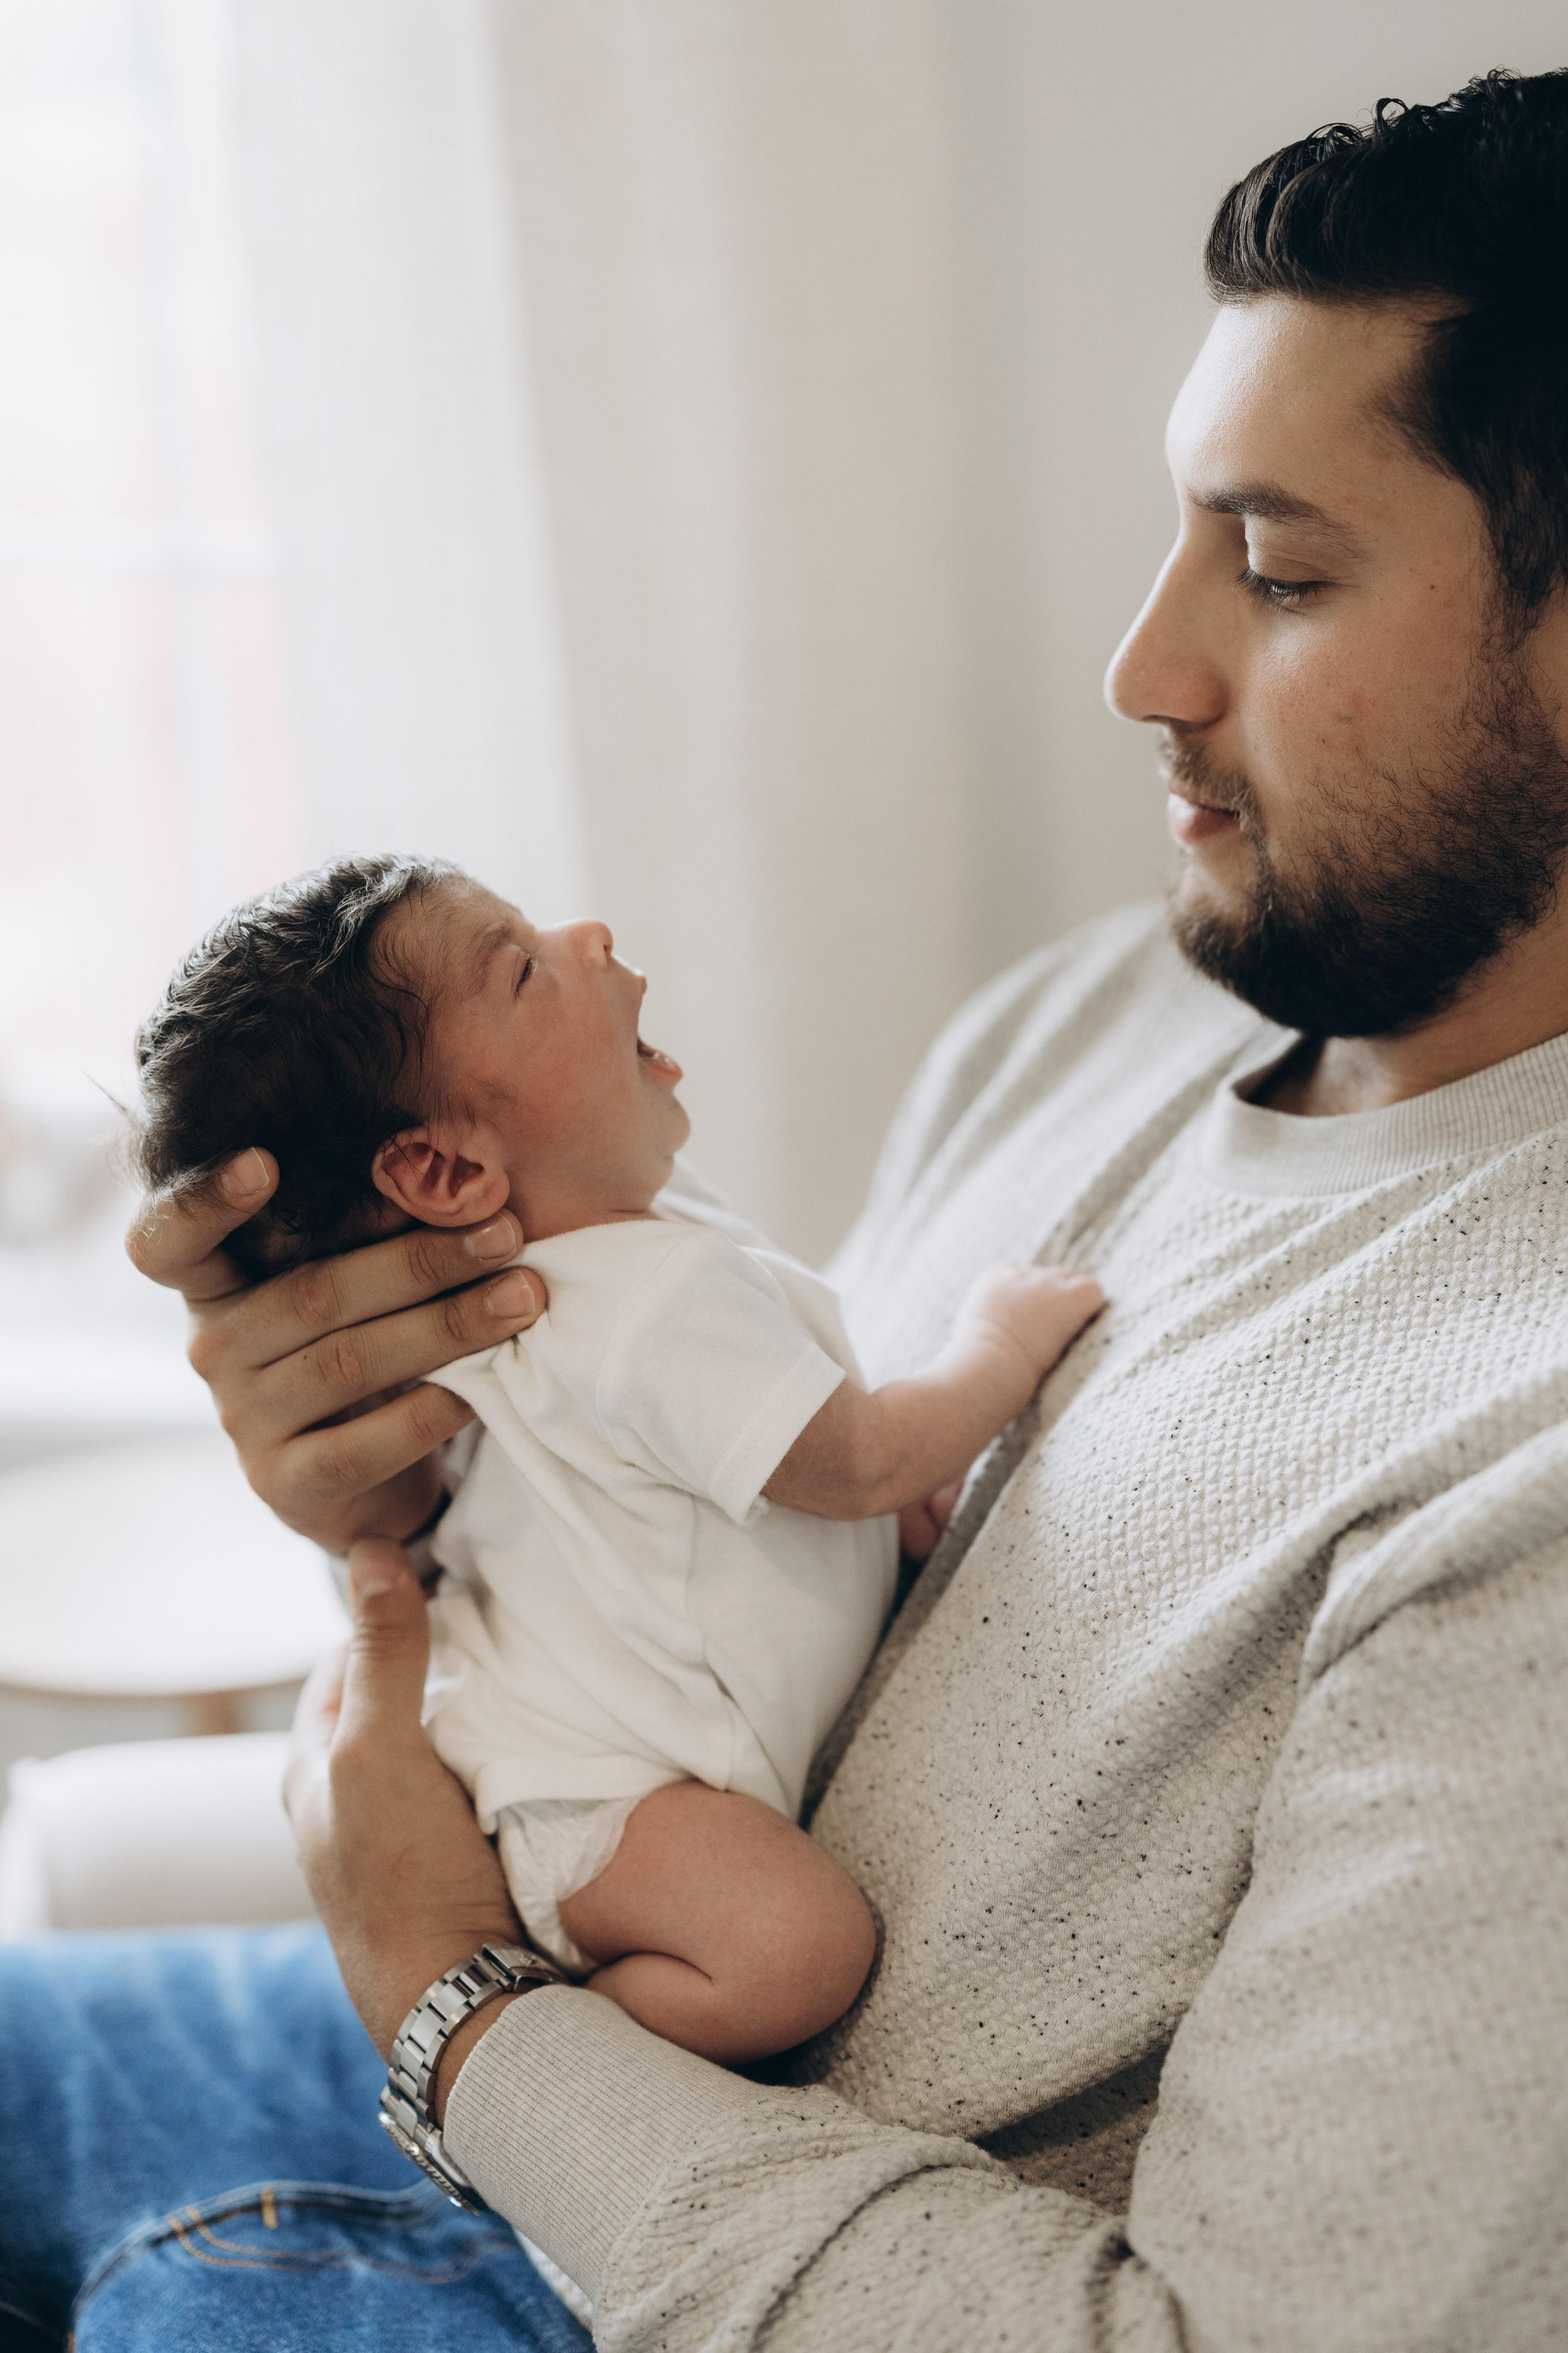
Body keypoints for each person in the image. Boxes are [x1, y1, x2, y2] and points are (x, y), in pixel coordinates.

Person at [6, 64, 1568, 2353]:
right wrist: (403, 1466)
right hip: (505, 2042)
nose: (1141, 670)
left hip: (698, 2234)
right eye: (1179, 535)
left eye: (1282, 570)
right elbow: (713, 1499)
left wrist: (455, 2005)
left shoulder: (1529, 1464)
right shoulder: (1092, 1013)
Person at [130, 856, 1100, 2053]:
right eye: (521, 967)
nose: (587, 932)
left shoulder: (609, 1258)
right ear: (445, 1170)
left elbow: (694, 1476)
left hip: (561, 1729)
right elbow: (858, 1460)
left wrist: (853, 1532)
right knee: (796, 1948)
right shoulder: (639, 1303)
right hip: (596, 1792)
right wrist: (997, 1342)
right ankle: (562, 2036)